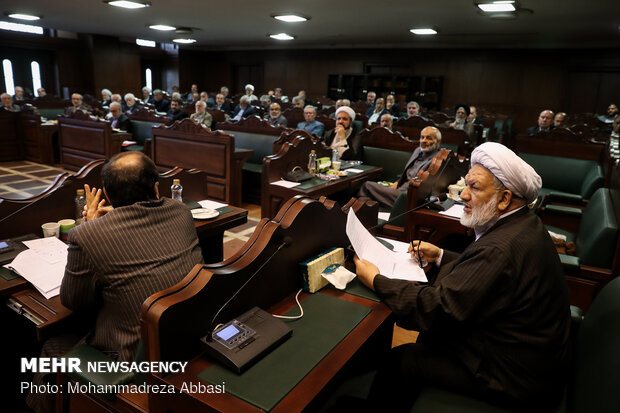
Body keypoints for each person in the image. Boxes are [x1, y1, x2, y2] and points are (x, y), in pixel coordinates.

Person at [354, 142, 570, 412]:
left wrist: (376, 279)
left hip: (512, 376)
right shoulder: (525, 223)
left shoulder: (499, 248)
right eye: (465, 185)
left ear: (504, 199)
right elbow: (492, 276)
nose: (463, 196)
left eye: (475, 188)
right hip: (527, 358)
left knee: (403, 357)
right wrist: (442, 255)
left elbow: (434, 310)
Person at [26, 151, 204, 413]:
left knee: (52, 347)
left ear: (107, 196)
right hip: (183, 337)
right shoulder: (181, 213)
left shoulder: (87, 235)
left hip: (131, 358)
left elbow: (74, 301)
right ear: (156, 187)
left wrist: (91, 227)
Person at [357, 126, 441, 210]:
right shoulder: (418, 150)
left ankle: (366, 213)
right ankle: (373, 213)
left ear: (438, 142)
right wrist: (397, 182)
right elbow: (407, 172)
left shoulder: (437, 160)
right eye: (422, 137)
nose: (424, 140)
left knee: (367, 186)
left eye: (429, 138)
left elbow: (426, 186)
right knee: (368, 198)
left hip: (407, 196)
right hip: (398, 190)